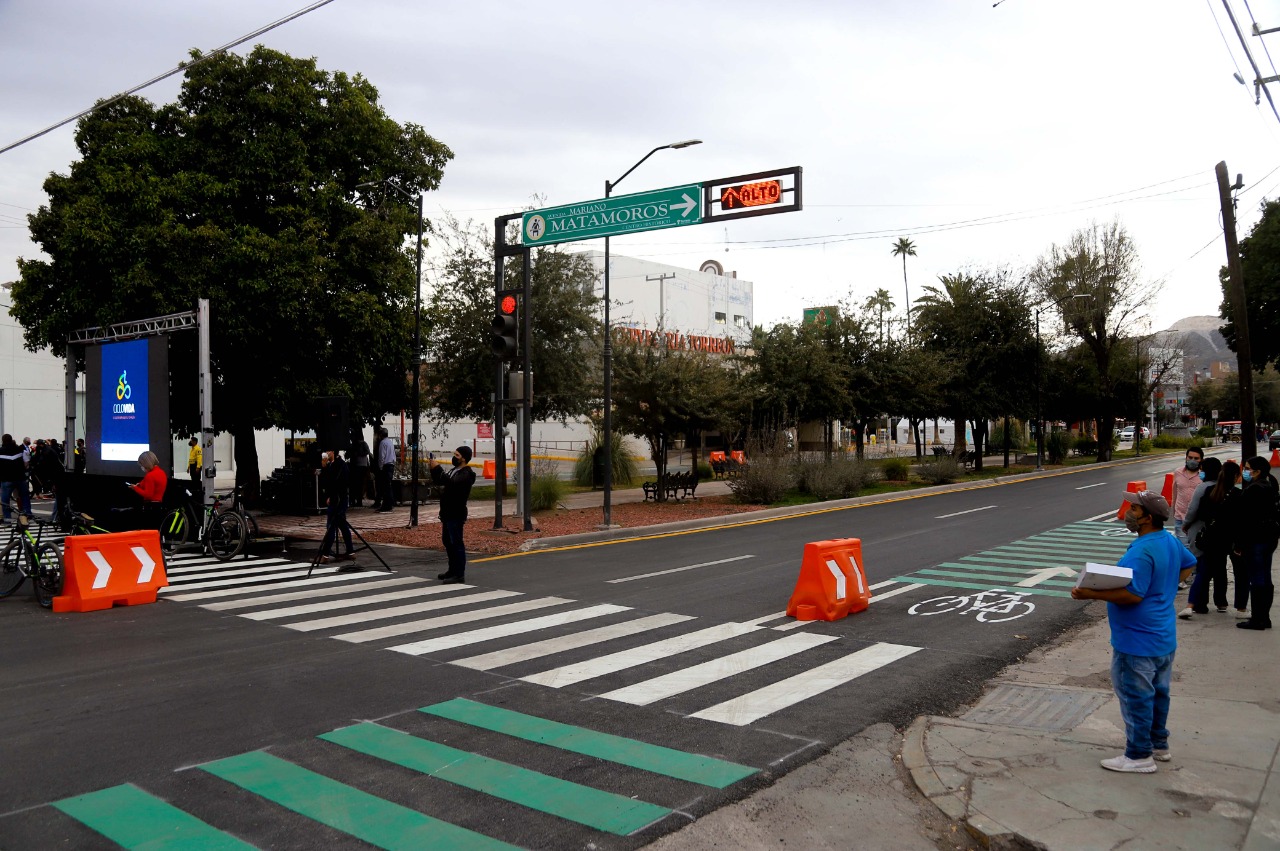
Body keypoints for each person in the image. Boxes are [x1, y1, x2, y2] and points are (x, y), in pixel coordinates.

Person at [1071, 490, 1196, 773]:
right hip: (1163, 636)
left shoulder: (1141, 551)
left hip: (1136, 639)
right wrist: (1162, 589)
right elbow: (1190, 564)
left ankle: (1139, 756)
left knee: (1136, 697)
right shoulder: (1169, 540)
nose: (1128, 511)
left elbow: (1132, 595)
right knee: (1159, 693)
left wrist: (1090, 593)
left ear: (1148, 518)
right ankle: (1158, 744)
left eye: (1134, 508)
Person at [1179, 457, 1231, 618]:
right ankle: (1221, 601)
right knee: (1220, 568)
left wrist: (1185, 524)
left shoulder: (1203, 488)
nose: (1199, 472)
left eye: (1202, 470)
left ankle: (1200, 603)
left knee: (1201, 568)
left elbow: (1192, 510)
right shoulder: (1225, 487)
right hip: (1221, 536)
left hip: (1202, 533)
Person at [1233, 456, 1278, 631]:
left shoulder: (1253, 490)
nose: (1245, 471)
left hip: (1255, 540)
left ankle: (1258, 619)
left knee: (1257, 578)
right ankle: (1263, 617)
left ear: (1257, 472)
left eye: (1248, 468)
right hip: (1269, 538)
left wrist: (1239, 545)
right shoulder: (1270, 485)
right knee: (1265, 577)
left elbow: (1245, 520)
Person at [429, 446, 476, 584]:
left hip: (456, 512)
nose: (454, 457)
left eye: (457, 455)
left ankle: (459, 573)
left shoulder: (467, 474)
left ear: (464, 458)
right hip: (447, 512)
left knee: (456, 542)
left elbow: (452, 484)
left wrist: (438, 468)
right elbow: (441, 481)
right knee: (447, 541)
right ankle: (452, 570)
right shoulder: (454, 470)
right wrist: (433, 469)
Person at [317, 450, 356, 568]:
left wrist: (333, 495)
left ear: (333, 452)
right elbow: (326, 482)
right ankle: (350, 551)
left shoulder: (340, 465)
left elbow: (338, 482)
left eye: (328, 451)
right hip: (335, 498)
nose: (326, 453)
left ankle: (325, 554)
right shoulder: (331, 465)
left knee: (331, 526)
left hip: (339, 499)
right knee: (342, 525)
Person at [1, 433, 32, 523]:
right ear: (11, 440)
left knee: (5, 500)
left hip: (6, 479)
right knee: (25, 497)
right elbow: (26, 463)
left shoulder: (0, 451)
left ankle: (7, 520)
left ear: (3, 441)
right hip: (20, 477)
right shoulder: (20, 449)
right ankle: (28, 516)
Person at [347, 431, 372, 507]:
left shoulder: (363, 444)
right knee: (356, 484)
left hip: (361, 465)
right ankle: (354, 500)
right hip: (356, 465)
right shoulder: (353, 445)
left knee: (359, 483)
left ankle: (358, 500)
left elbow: (367, 451)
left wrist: (358, 453)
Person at [376, 427, 396, 513]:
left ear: (381, 435)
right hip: (391, 465)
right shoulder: (390, 442)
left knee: (385, 486)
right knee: (388, 485)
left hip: (385, 466)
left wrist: (380, 467)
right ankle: (389, 503)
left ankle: (387, 505)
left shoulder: (383, 443)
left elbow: (381, 456)